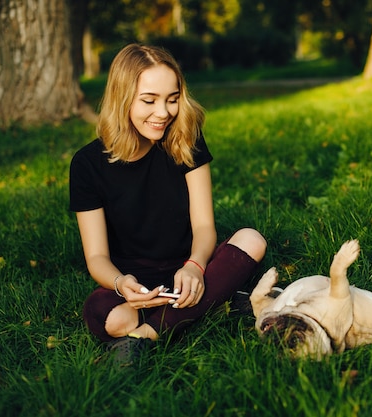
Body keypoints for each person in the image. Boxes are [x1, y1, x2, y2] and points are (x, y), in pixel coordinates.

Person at [69, 44, 267, 363]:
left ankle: (147, 336)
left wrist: (195, 267)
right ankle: (217, 303)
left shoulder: (186, 138)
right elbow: (96, 257)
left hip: (189, 265)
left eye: (172, 99)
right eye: (149, 100)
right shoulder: (87, 164)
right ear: (122, 98)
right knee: (110, 318)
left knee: (252, 240)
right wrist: (121, 284)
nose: (163, 112)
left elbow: (204, 226)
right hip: (138, 284)